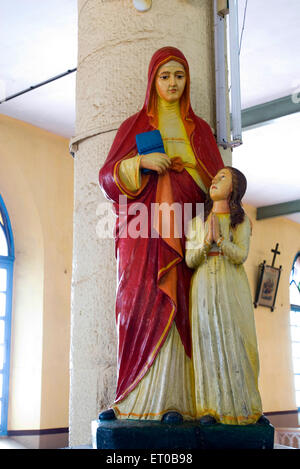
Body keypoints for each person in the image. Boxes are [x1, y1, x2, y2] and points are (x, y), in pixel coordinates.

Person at [98, 46, 224, 421]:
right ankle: (133, 400)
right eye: (165, 76)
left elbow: (219, 182)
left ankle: (177, 403)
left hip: (185, 230)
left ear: (188, 82)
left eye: (179, 76)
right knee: (136, 301)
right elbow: (107, 178)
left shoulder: (200, 130)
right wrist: (141, 163)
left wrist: (186, 171)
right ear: (153, 80)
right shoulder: (134, 126)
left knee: (181, 305)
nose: (172, 83)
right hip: (141, 230)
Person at [185, 167, 264, 425]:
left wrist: (221, 241)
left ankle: (244, 408)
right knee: (207, 339)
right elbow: (189, 259)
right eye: (215, 177)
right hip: (204, 283)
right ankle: (210, 408)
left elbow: (241, 255)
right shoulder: (197, 222)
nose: (214, 180)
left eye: (222, 177)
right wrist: (207, 241)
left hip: (232, 282)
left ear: (235, 189)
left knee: (238, 339)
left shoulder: (241, 221)